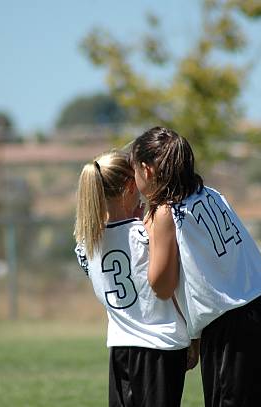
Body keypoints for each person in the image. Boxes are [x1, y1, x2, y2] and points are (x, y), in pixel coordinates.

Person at [129, 127, 261, 407]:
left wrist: (150, 231)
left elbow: (161, 286)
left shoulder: (164, 212)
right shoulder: (211, 194)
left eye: (135, 172)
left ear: (146, 170)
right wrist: (197, 335)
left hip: (234, 333)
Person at [74, 149, 197, 407]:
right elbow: (171, 289)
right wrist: (193, 338)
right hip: (161, 346)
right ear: (130, 186)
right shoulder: (146, 233)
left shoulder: (86, 242)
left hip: (120, 348)